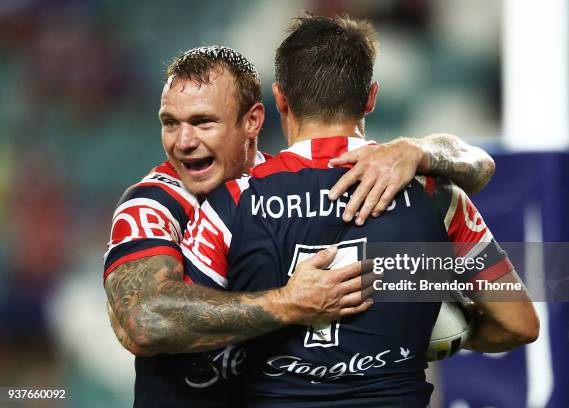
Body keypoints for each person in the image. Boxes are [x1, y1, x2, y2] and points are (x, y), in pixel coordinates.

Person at [104, 46, 497, 406]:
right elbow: (145, 321)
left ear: (253, 121)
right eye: (170, 123)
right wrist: (291, 303)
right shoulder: (152, 203)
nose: (182, 141)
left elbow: (478, 166)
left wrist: (420, 150)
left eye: (203, 122)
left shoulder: (292, 187)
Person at [185, 15, 539, 407]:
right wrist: (451, 330)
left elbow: (185, 328)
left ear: (280, 98)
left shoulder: (230, 203)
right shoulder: (435, 194)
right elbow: (519, 323)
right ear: (371, 96)